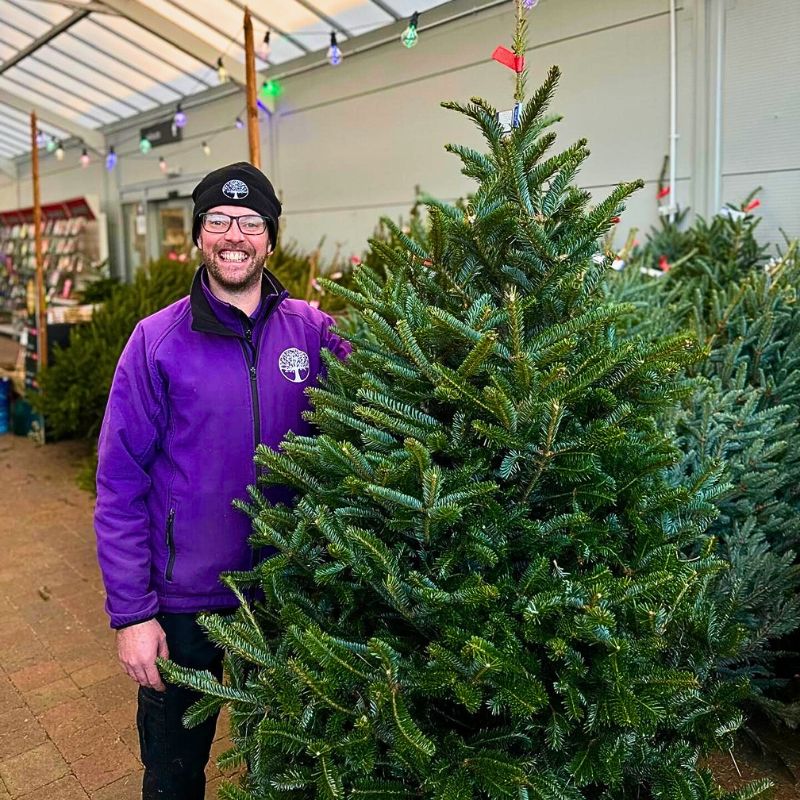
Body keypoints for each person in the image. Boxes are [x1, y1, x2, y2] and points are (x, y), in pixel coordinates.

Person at [94, 162, 351, 799]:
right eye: (218, 221)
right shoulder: (155, 342)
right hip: (186, 607)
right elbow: (119, 486)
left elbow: (387, 395)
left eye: (249, 222)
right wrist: (132, 615)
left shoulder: (314, 333)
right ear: (200, 235)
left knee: (288, 769)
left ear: (271, 237)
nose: (233, 235)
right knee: (175, 774)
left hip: (288, 595)